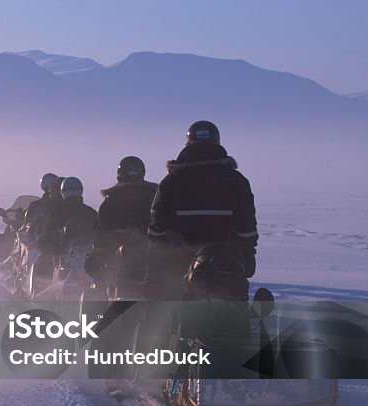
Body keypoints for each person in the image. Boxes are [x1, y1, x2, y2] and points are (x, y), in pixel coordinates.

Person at [146, 121, 257, 300]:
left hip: (180, 265)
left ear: (188, 144)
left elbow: (157, 229)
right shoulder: (236, 181)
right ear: (217, 143)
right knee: (235, 315)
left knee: (169, 317)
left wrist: (155, 265)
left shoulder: (172, 181)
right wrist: (247, 257)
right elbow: (247, 228)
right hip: (226, 266)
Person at [87, 156, 158, 297]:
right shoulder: (156, 194)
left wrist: (98, 254)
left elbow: (102, 233)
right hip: (152, 257)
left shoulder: (112, 199)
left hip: (127, 260)